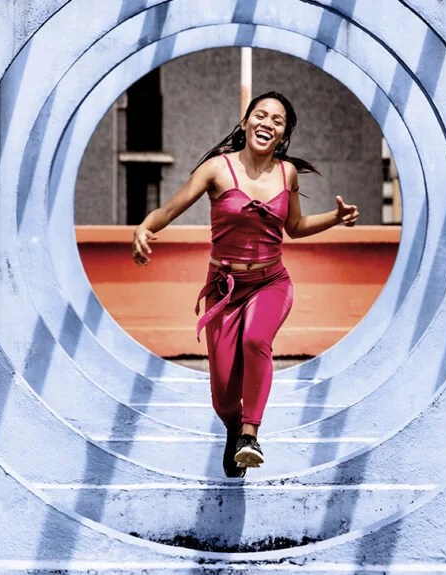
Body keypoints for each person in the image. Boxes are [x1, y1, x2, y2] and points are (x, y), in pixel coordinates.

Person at [132, 91, 359, 477]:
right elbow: (168, 209)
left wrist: (334, 218)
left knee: (256, 340)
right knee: (223, 393)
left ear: (283, 135)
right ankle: (235, 428)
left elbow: (295, 227)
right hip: (224, 289)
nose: (267, 123)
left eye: (277, 120)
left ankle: (250, 435)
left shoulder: (286, 173)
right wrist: (144, 227)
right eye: (261, 115)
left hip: (271, 282)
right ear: (245, 122)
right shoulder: (216, 170)